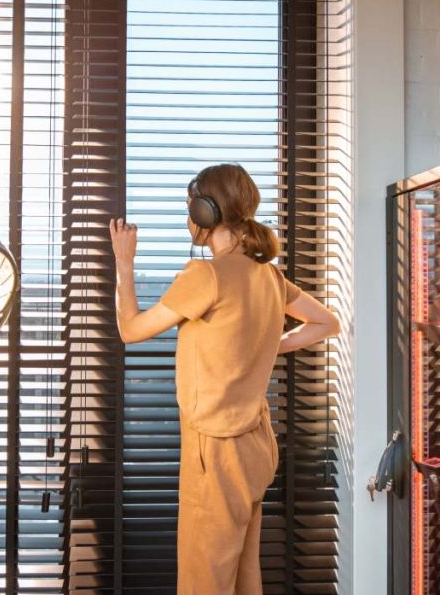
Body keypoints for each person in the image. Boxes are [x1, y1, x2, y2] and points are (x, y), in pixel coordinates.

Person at [108, 162, 341, 594]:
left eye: (188, 208)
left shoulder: (207, 275)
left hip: (213, 450)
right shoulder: (269, 276)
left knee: (206, 578)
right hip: (255, 444)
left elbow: (130, 329)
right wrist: (268, 344)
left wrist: (124, 263)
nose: (186, 218)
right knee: (241, 573)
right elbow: (325, 323)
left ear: (205, 213)